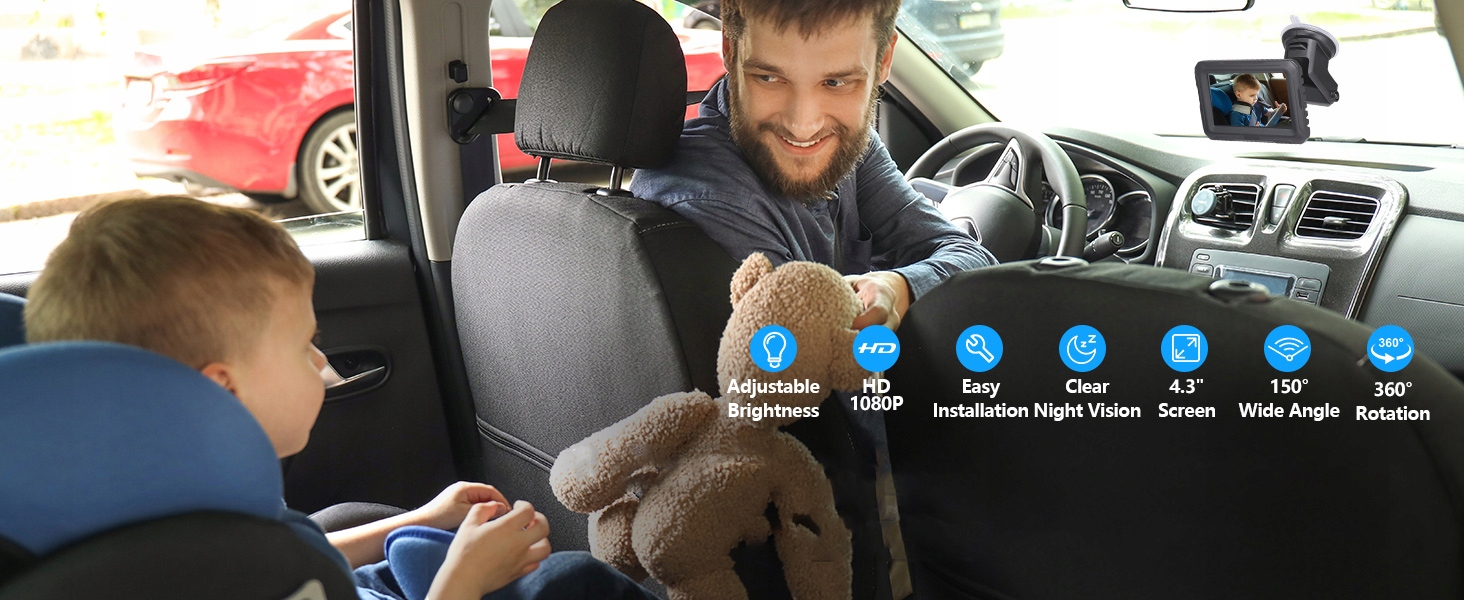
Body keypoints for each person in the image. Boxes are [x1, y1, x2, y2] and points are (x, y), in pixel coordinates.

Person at [22, 196, 656, 600]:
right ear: (222, 390)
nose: (324, 364)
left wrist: (419, 519)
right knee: (573, 582)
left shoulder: (170, 496)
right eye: (306, 345)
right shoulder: (199, 568)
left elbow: (297, 548)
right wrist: (463, 580)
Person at [630, 0, 996, 333]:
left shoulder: (850, 145)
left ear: (884, 59)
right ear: (730, 47)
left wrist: (900, 287)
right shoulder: (709, 200)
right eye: (769, 78)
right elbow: (817, 370)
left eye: (835, 82)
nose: (802, 126)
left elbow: (970, 257)